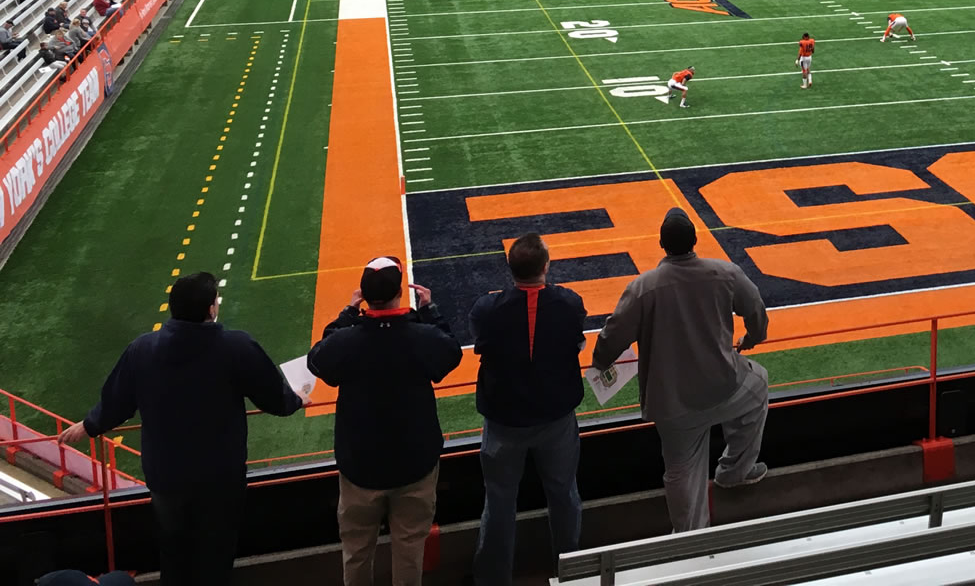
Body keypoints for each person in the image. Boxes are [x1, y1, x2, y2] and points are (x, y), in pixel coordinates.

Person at [57, 272, 304, 586]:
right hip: (220, 478)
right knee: (216, 551)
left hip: (167, 477)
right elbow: (273, 398)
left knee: (174, 550)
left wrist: (89, 426)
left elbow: (117, 402)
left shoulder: (142, 349)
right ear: (211, 310)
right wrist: (295, 401)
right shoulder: (236, 346)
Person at [592, 208, 770, 532]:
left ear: (661, 244)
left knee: (679, 468)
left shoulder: (643, 288)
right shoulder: (724, 273)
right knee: (758, 384)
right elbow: (756, 308)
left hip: (671, 401)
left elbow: (612, 336)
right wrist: (753, 338)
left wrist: (602, 364)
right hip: (722, 387)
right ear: (695, 240)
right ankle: (734, 471)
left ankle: (687, 537)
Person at [307, 256, 463, 586]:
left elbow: (319, 358)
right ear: (399, 293)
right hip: (414, 465)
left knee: (356, 551)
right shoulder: (422, 337)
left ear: (364, 295)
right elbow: (450, 352)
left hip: (360, 467)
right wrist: (430, 311)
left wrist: (348, 315)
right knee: (409, 551)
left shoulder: (347, 341)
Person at [469, 234, 587, 583]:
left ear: (510, 268)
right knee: (564, 493)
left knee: (500, 501)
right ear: (546, 266)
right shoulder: (569, 303)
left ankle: (493, 577)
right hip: (556, 416)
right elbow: (576, 338)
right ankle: (571, 570)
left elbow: (479, 339)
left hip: (505, 420)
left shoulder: (487, 309)